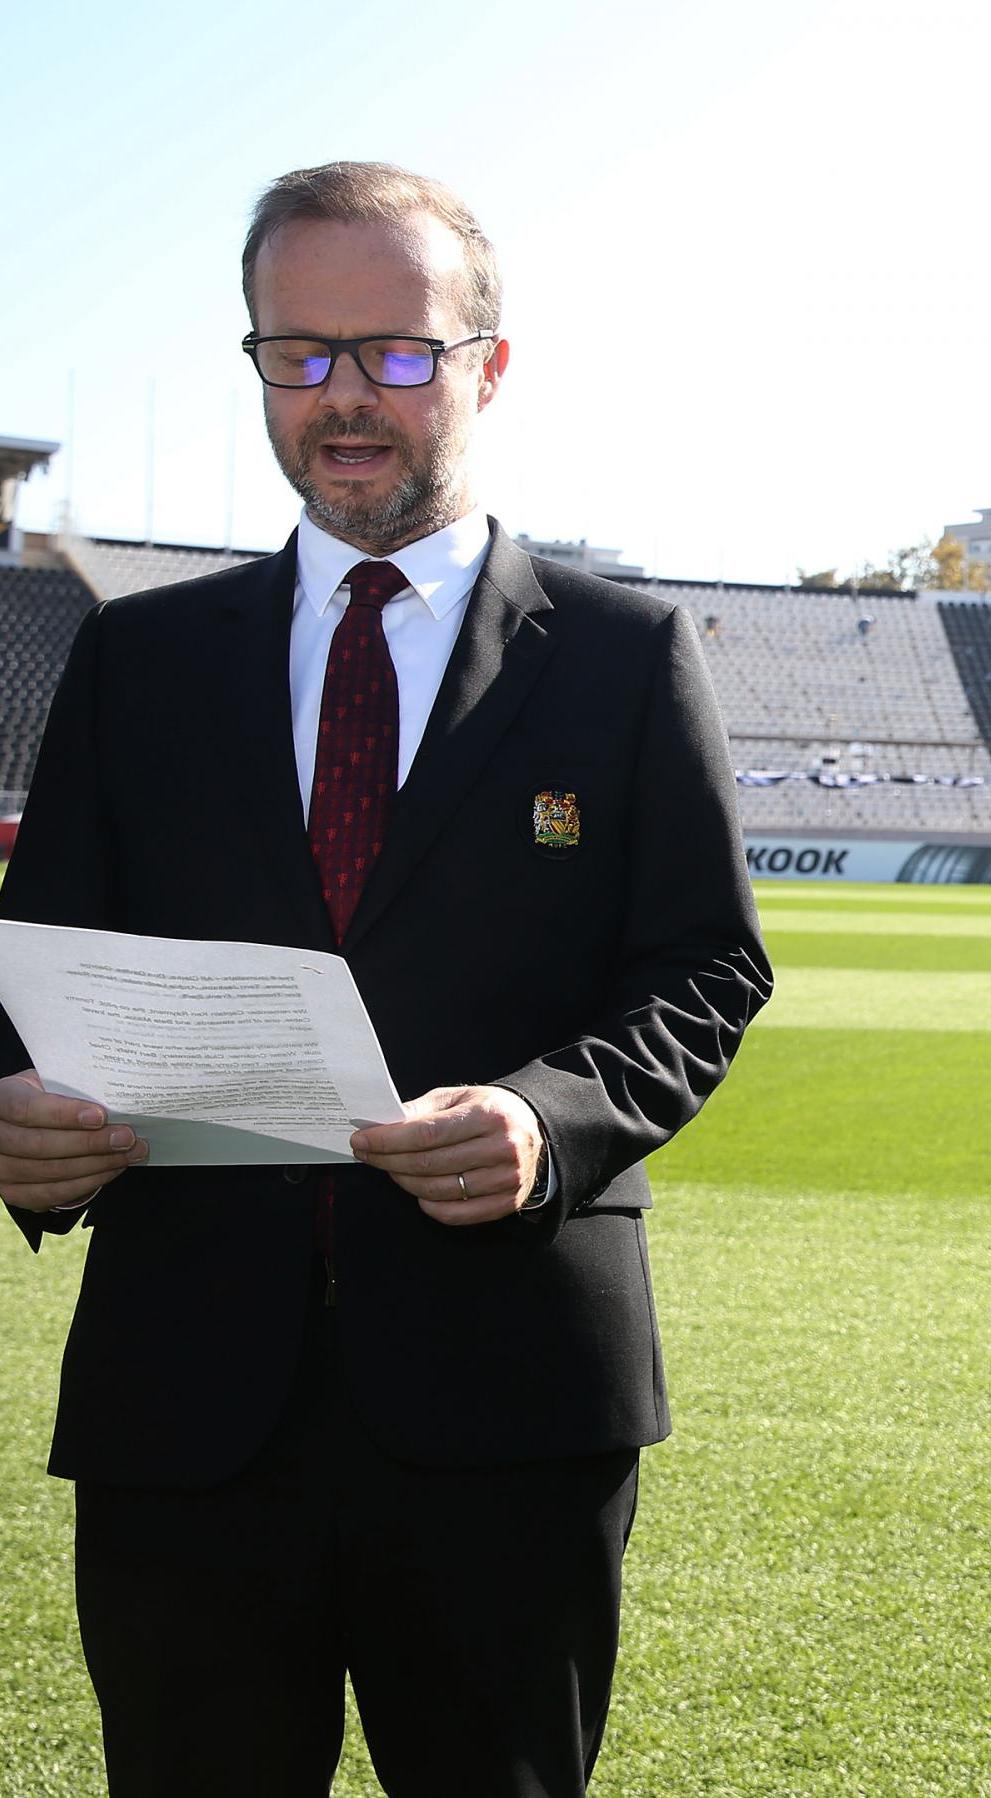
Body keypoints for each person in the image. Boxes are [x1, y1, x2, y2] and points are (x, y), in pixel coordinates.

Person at [0, 161, 770, 1797]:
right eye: (303, 354)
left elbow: (705, 964)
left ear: (490, 363)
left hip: (509, 1399)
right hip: (186, 1398)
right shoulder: (140, 658)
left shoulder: (627, 654)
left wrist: (545, 1120)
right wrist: (11, 1116)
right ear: (261, 365)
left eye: (397, 352)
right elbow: (27, 964)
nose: (347, 397)